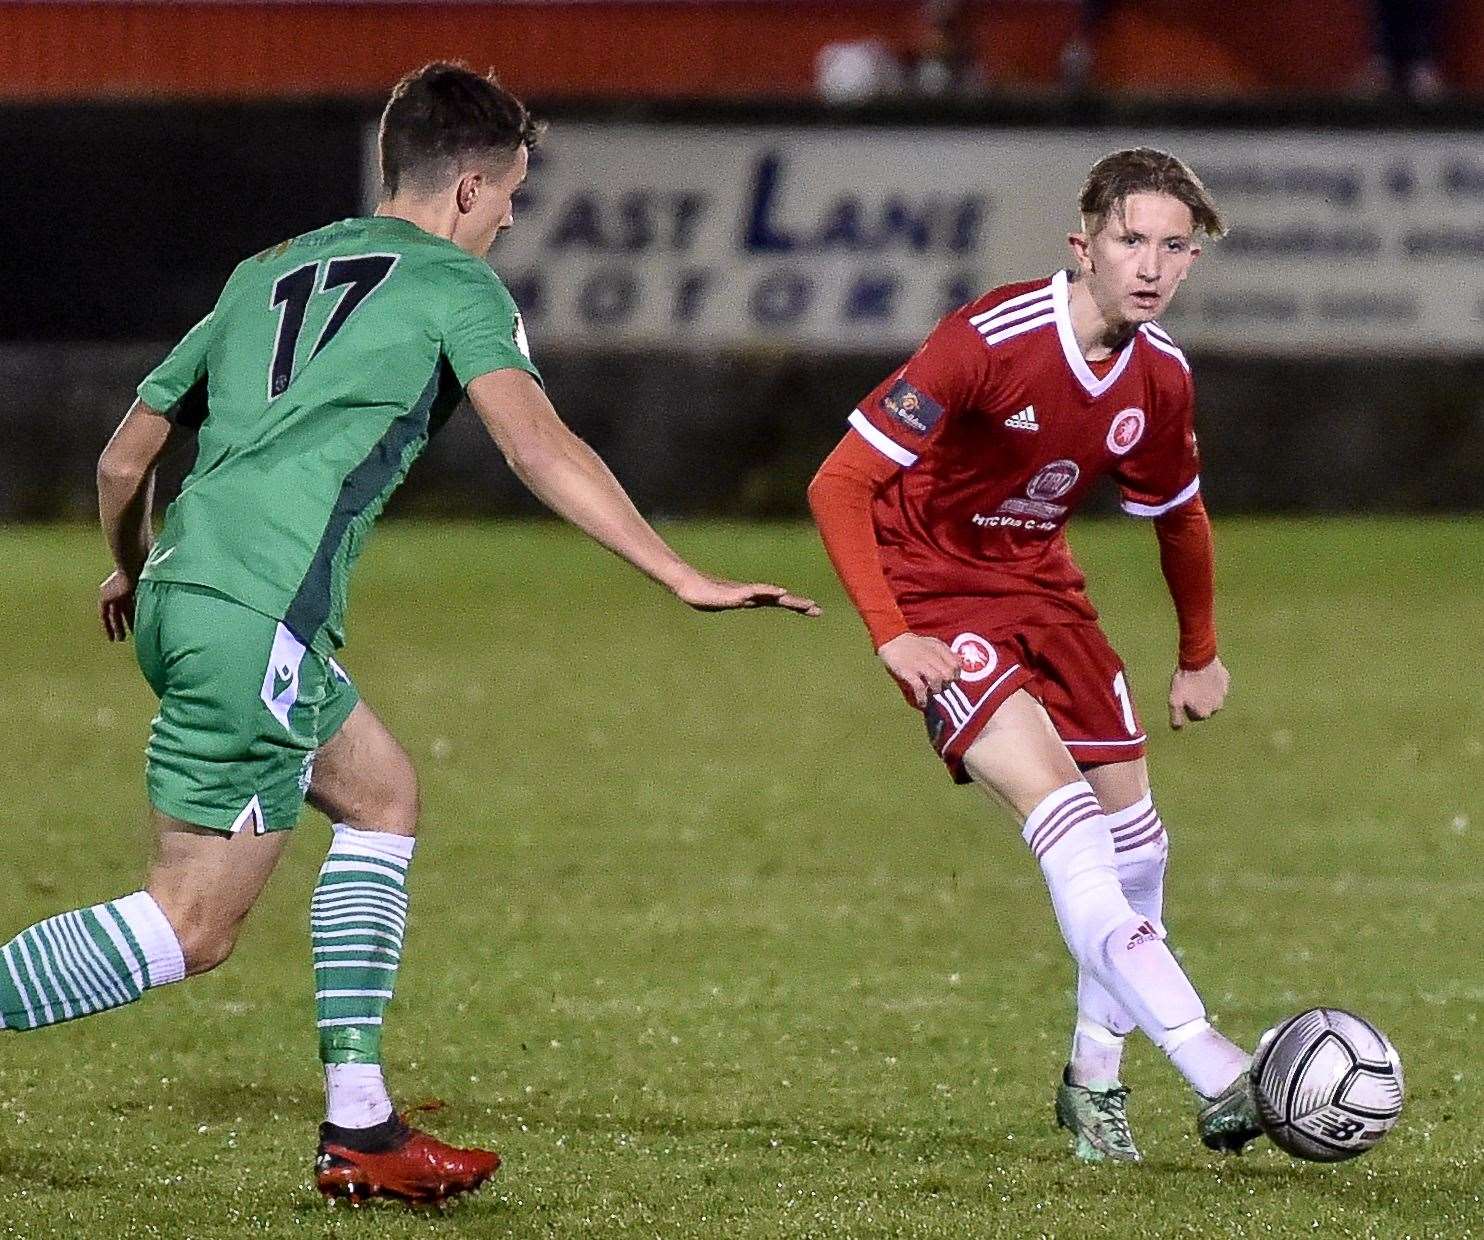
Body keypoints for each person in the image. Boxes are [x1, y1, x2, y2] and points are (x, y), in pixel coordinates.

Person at [0, 61, 818, 1206]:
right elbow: (540, 447)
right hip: (259, 620)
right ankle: (355, 1124)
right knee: (191, 927)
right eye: (515, 196)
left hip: (192, 591)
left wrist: (138, 571)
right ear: (470, 186)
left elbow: (122, 459)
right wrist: (677, 570)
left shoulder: (264, 270)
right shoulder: (454, 287)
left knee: (382, 793)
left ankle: (361, 1125)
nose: (514, 219)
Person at [808, 147, 1261, 1163]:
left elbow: (1177, 519)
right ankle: (1213, 1062)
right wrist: (892, 631)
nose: (1148, 264)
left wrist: (1198, 652)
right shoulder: (987, 337)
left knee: (1138, 847)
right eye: (1128, 239)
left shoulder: (1159, 375)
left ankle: (1092, 1084)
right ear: (1083, 245)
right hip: (933, 589)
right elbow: (837, 484)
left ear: (1189, 261)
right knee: (1067, 827)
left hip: (1042, 592)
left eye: (1171, 247)